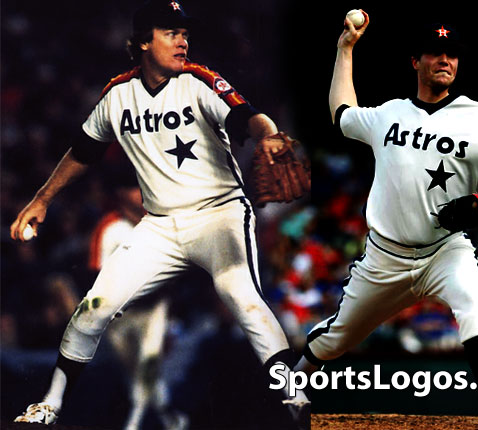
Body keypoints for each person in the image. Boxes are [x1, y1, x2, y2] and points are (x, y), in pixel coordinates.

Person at [10, 0, 309, 427]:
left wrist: (270, 134)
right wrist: (41, 199)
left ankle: (298, 401)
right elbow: (84, 151)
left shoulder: (199, 81)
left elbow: (247, 116)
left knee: (241, 299)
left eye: (184, 33)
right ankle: (49, 405)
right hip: (160, 225)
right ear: (143, 42)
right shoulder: (117, 95)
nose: (182, 40)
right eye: (170, 32)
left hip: (219, 213)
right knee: (93, 307)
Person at [293, 12, 478, 430]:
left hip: (445, 249)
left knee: (477, 308)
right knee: (337, 337)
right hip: (385, 256)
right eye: (435, 52)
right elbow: (342, 113)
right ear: (414, 61)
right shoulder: (389, 115)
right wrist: (345, 49)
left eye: (452, 54)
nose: (445, 60)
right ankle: (292, 385)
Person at [88, 166, 188, 430]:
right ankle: (172, 420)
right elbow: (96, 273)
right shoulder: (109, 227)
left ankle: (134, 424)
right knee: (135, 375)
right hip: (119, 314)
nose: (139, 193)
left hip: (154, 308)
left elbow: (176, 269)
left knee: (147, 368)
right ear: (121, 193)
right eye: (133, 188)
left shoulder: (161, 222)